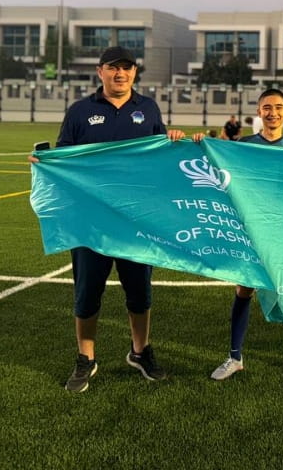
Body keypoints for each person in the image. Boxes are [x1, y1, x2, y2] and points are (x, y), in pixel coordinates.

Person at [43, 46, 185, 393]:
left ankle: (140, 351)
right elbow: (64, 157)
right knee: (87, 292)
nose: (120, 74)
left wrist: (176, 141)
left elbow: (160, 156)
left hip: (137, 221)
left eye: (127, 68)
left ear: (135, 73)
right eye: (113, 68)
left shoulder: (147, 109)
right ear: (100, 71)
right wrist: (45, 161)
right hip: (91, 222)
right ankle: (85, 359)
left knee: (139, 292)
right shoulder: (80, 111)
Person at [209, 88, 283, 380]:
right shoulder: (244, 144)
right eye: (267, 107)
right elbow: (221, 168)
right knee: (245, 289)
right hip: (251, 229)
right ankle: (234, 358)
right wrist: (197, 143)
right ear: (259, 112)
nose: (273, 113)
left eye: (279, 107)